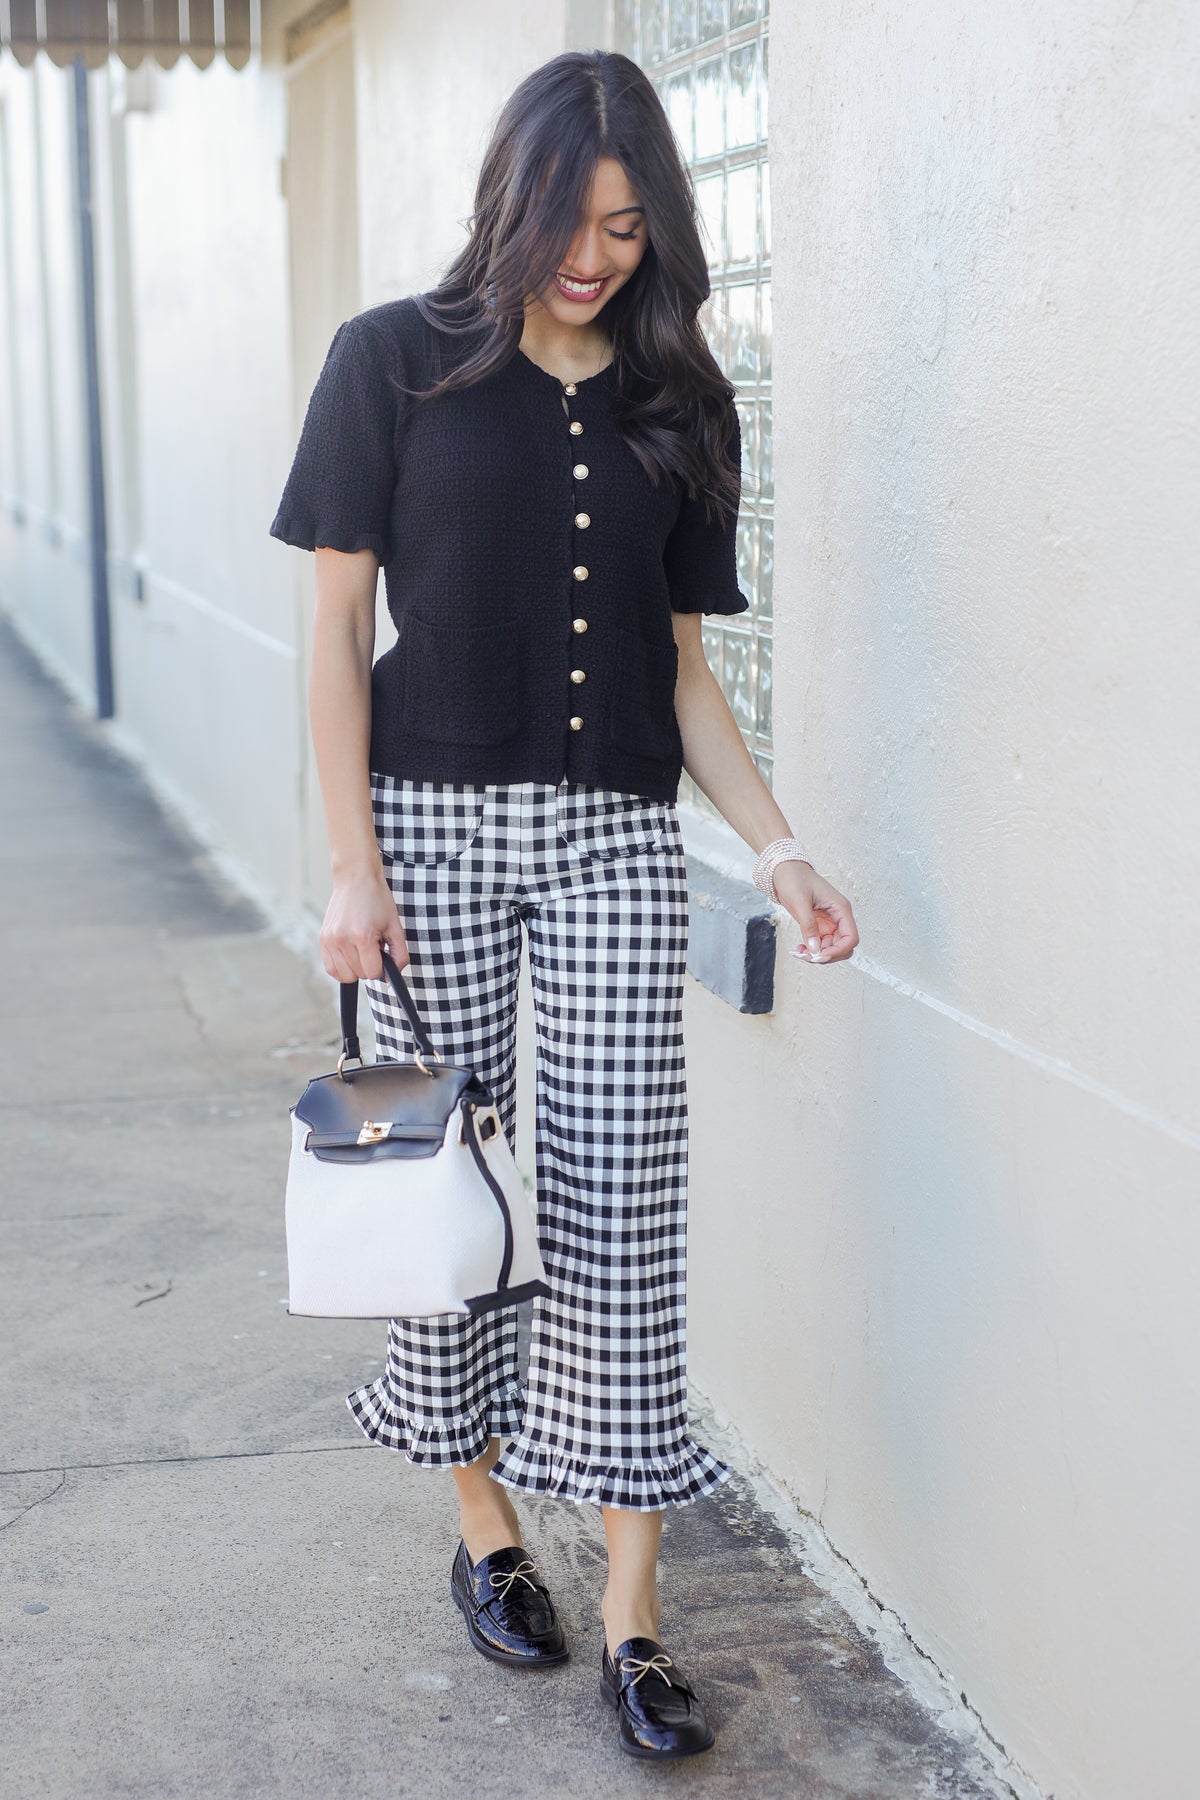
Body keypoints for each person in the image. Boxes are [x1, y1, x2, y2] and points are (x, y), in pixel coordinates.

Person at [269, 47, 858, 1763]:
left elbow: (684, 677)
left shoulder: (682, 402)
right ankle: (486, 1534)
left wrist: (777, 844)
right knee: (452, 1206)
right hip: (430, 833)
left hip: (613, 844)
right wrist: (351, 868)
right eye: (568, 222)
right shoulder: (391, 365)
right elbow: (332, 636)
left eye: (624, 227)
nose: (595, 258)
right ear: (508, 202)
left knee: (614, 1211)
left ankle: (635, 1621)